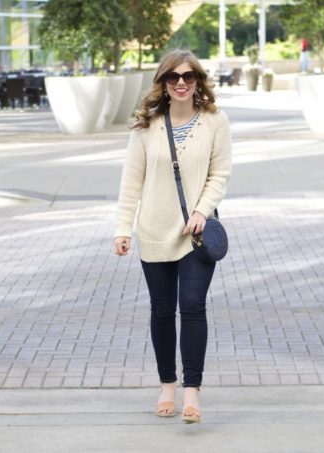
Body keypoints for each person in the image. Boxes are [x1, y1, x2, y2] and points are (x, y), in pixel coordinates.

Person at [113, 49, 232, 424]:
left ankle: (192, 392)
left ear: (198, 80)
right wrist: (122, 228)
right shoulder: (146, 126)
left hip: (195, 234)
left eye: (189, 76)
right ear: (163, 83)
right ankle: (168, 385)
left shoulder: (215, 120)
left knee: (193, 307)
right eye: (173, 77)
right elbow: (131, 182)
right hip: (153, 230)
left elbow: (220, 173)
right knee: (162, 312)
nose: (181, 83)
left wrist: (201, 210)